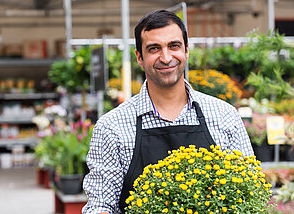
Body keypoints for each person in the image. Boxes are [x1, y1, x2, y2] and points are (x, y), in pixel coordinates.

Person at [82, 9, 254, 214]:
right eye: (154, 49)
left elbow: (248, 191)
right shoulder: (112, 127)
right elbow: (101, 205)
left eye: (174, 46)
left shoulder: (224, 116)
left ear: (186, 50)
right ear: (139, 57)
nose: (166, 57)